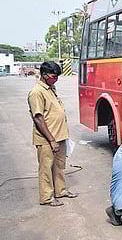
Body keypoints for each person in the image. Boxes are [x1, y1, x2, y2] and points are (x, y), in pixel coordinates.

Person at [27, 61, 77, 207]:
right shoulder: (37, 92)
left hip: (60, 135)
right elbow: (38, 118)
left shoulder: (50, 88)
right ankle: (47, 197)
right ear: (44, 75)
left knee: (59, 166)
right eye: (53, 76)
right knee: (46, 168)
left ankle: (60, 190)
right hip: (47, 139)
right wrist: (51, 140)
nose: (56, 79)